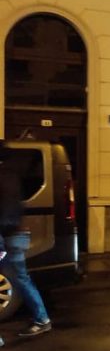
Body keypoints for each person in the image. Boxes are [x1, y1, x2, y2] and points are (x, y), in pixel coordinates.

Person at [0, 140, 52, 338]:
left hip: (8, 235)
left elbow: (5, 212)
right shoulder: (12, 175)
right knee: (21, 278)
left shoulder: (2, 177)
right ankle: (42, 319)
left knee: (20, 278)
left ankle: (42, 319)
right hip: (17, 234)